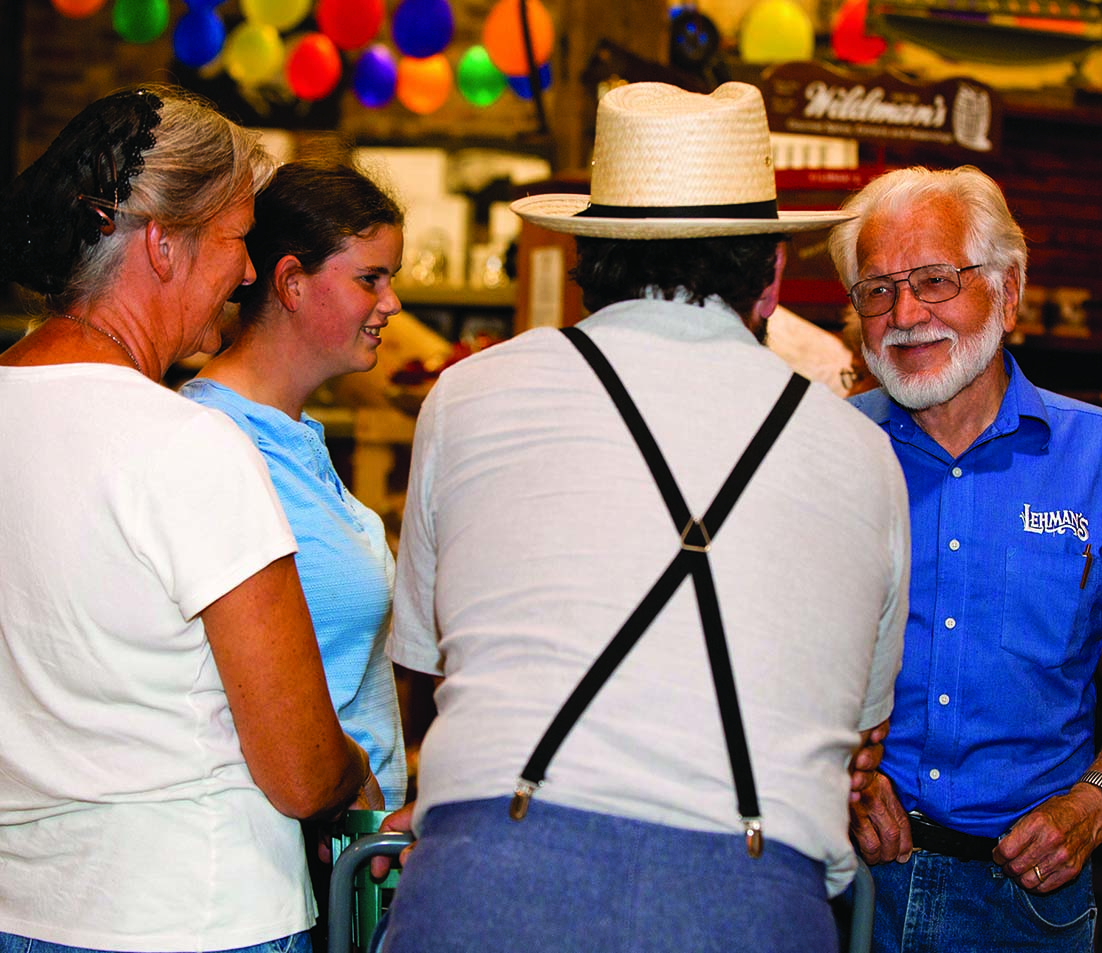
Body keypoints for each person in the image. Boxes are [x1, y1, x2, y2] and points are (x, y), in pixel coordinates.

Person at [377, 81, 910, 953]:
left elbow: (432, 672)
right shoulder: (863, 455)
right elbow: (859, 729)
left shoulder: (468, 396)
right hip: (749, 901)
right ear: (772, 277)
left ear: (588, 253)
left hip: (484, 882)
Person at [0, 86, 376, 953]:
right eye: (238, 240)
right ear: (164, 244)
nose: (248, 273)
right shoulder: (184, 444)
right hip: (192, 911)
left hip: (25, 906)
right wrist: (352, 772)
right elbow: (297, 766)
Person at [829, 164, 1102, 952]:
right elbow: (763, 659)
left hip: (1031, 903)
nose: (904, 314)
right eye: (877, 289)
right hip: (847, 882)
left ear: (1009, 290)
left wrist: (1100, 802)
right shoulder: (825, 450)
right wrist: (839, 775)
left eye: (934, 280)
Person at [181, 160, 408, 809]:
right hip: (295, 839)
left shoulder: (295, 435)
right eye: (371, 279)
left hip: (351, 847)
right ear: (291, 282)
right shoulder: (216, 438)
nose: (390, 303)